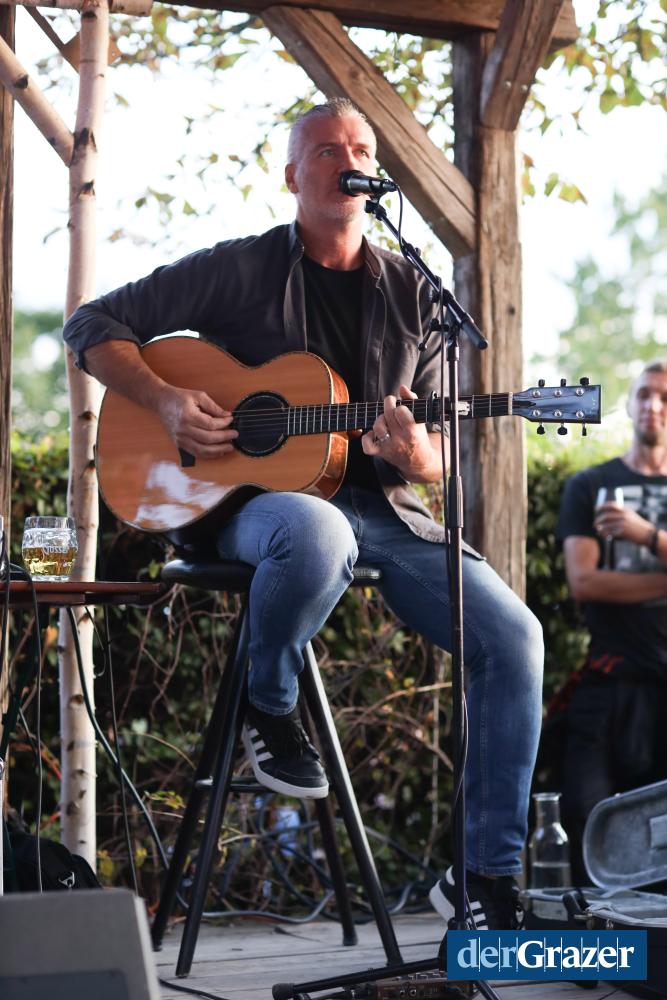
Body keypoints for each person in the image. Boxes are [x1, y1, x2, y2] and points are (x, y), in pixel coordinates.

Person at [63, 98, 543, 929]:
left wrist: (415, 456)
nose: (346, 161)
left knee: (516, 640)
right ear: (292, 175)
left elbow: (432, 448)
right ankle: (270, 701)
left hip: (383, 511)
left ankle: (482, 878)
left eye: (360, 150)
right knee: (317, 529)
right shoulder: (238, 268)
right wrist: (168, 401)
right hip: (253, 507)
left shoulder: (412, 291)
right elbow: (90, 324)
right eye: (326, 150)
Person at [556, 360, 667, 882]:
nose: (654, 406)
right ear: (629, 403)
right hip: (607, 680)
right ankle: (591, 935)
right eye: (644, 394)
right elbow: (585, 583)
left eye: (664, 397)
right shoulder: (591, 485)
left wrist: (646, 535)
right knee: (588, 823)